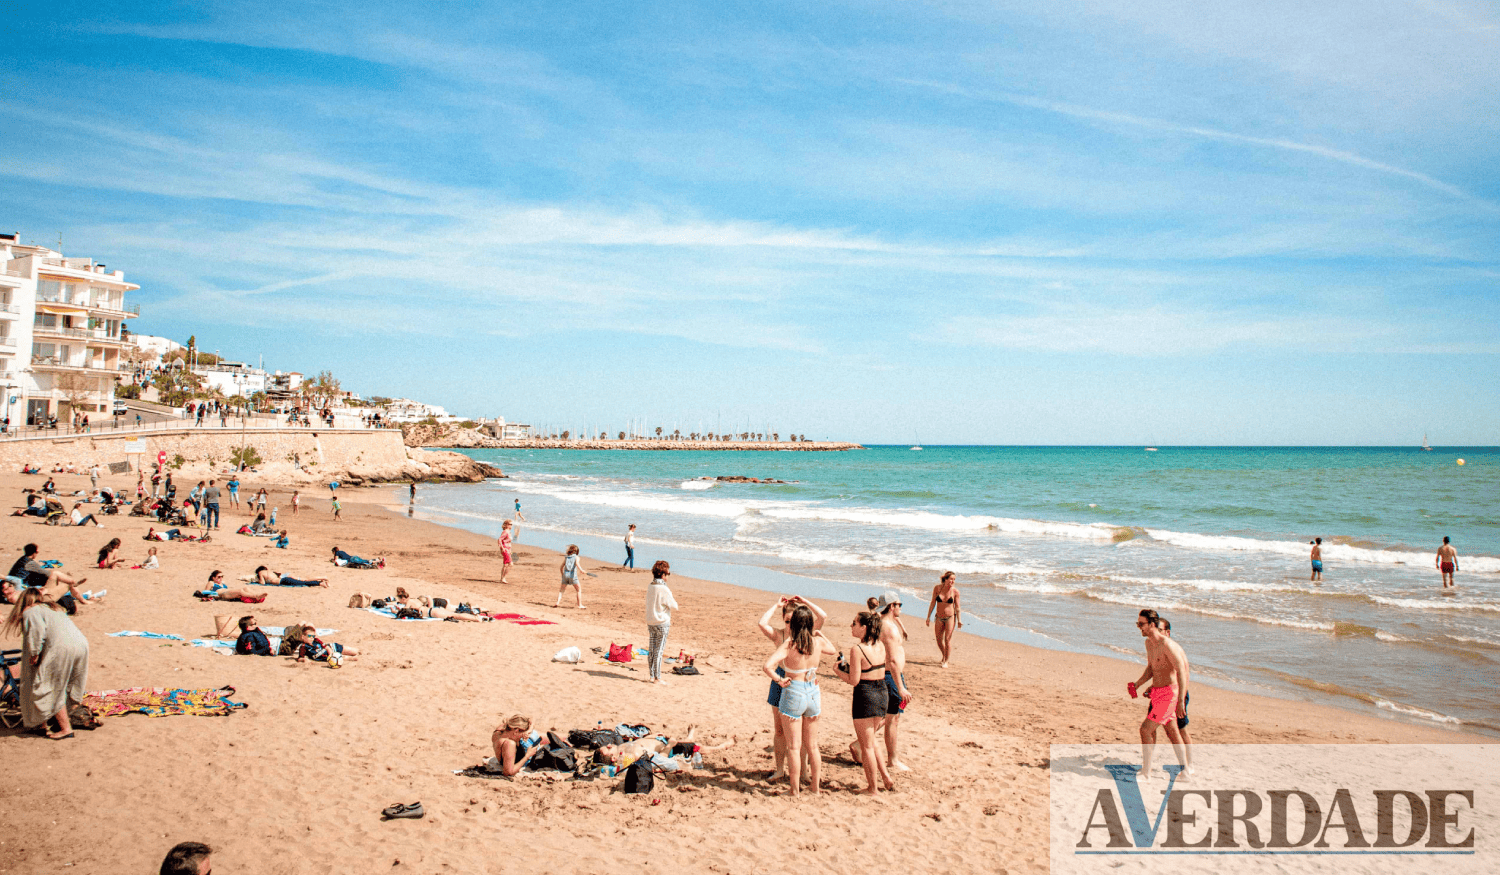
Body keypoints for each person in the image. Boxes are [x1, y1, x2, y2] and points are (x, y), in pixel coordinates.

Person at [763, 605, 837, 795]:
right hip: (812, 691)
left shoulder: (789, 644)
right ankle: (816, 789)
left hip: (794, 691)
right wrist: (820, 633)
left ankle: (794, 790)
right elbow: (833, 649)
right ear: (810, 624)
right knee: (812, 745)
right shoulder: (817, 642)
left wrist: (779, 680)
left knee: (794, 747)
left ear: (794, 623)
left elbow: (767, 666)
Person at [2, 587, 89, 738]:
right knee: (68, 683)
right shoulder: (54, 609)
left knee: (49, 686)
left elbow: (36, 634)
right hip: (81, 644)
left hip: (61, 648)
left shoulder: (30, 611)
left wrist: (34, 654)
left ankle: (65, 729)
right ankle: (49, 721)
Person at [832, 611, 894, 794]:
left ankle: (873, 788)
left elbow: (854, 680)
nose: (851, 626)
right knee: (872, 741)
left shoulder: (857, 649)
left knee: (866, 746)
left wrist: (837, 670)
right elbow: (871, 669)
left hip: (865, 695)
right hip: (882, 692)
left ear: (864, 628)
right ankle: (886, 778)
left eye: (854, 623)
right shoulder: (881, 645)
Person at [1132, 609, 1191, 778]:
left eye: (1141, 624)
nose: (1139, 628)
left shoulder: (1168, 645)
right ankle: (1185, 771)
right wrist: (1138, 684)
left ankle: (1146, 772)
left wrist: (1180, 700)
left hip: (1169, 694)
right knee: (1172, 732)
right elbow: (1152, 668)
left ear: (1152, 624)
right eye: (1137, 624)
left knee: (1145, 729)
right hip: (1157, 693)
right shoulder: (1149, 643)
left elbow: (1182, 671)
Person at [870, 590, 912, 772]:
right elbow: (893, 661)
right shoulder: (887, 627)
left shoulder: (883, 623)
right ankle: (893, 760)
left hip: (887, 674)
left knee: (889, 716)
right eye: (899, 604)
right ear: (892, 606)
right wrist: (901, 687)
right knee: (892, 719)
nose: (901, 608)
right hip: (890, 675)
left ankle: (858, 744)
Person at [594, 725, 736, 771]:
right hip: (670, 749)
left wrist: (653, 736)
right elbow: (660, 759)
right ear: (613, 757)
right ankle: (722, 747)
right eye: (607, 748)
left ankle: (689, 738)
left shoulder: (622, 747)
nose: (608, 744)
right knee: (698, 748)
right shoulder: (631, 755)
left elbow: (639, 741)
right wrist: (670, 745)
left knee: (685, 743)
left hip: (660, 741)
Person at [9, 543, 86, 611]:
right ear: (35, 552)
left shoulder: (22, 559)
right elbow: (47, 574)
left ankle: (76, 590)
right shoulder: (29, 563)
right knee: (55, 577)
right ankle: (76, 589)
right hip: (23, 586)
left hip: (18, 584)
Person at [644, 560, 678, 683]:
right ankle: (657, 677)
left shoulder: (651, 585)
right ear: (663, 575)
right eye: (668, 574)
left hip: (651, 621)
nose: (668, 576)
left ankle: (652, 676)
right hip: (662, 622)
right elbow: (674, 605)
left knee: (652, 650)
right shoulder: (663, 588)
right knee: (659, 651)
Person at [925, 571, 963, 668]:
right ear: (945, 579)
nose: (952, 581)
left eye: (954, 579)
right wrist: (928, 617)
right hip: (939, 617)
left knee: (947, 640)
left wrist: (959, 620)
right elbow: (933, 602)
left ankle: (946, 661)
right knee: (938, 639)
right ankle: (944, 655)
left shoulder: (955, 592)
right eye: (951, 579)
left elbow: (957, 607)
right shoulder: (937, 588)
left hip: (950, 617)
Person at [556, 545, 586, 609]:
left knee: (561, 590)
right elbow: (577, 564)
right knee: (578, 590)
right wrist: (581, 570)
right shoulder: (576, 557)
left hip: (565, 575)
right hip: (573, 576)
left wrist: (562, 575)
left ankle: (557, 602)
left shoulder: (566, 557)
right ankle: (579, 605)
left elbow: (561, 567)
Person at [254, 566, 329, 587]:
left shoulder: (260, 573)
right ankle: (321, 582)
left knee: (303, 582)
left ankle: (321, 582)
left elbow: (262, 583)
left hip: (284, 581)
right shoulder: (270, 571)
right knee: (303, 581)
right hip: (284, 579)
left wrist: (257, 580)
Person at [497, 520, 514, 584]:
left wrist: (510, 550)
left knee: (506, 564)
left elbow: (508, 541)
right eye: (510, 524)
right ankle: (503, 578)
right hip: (505, 549)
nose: (511, 526)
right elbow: (500, 539)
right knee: (510, 564)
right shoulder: (506, 532)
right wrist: (502, 548)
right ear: (506, 525)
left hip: (508, 549)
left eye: (512, 524)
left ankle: (502, 578)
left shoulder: (509, 532)